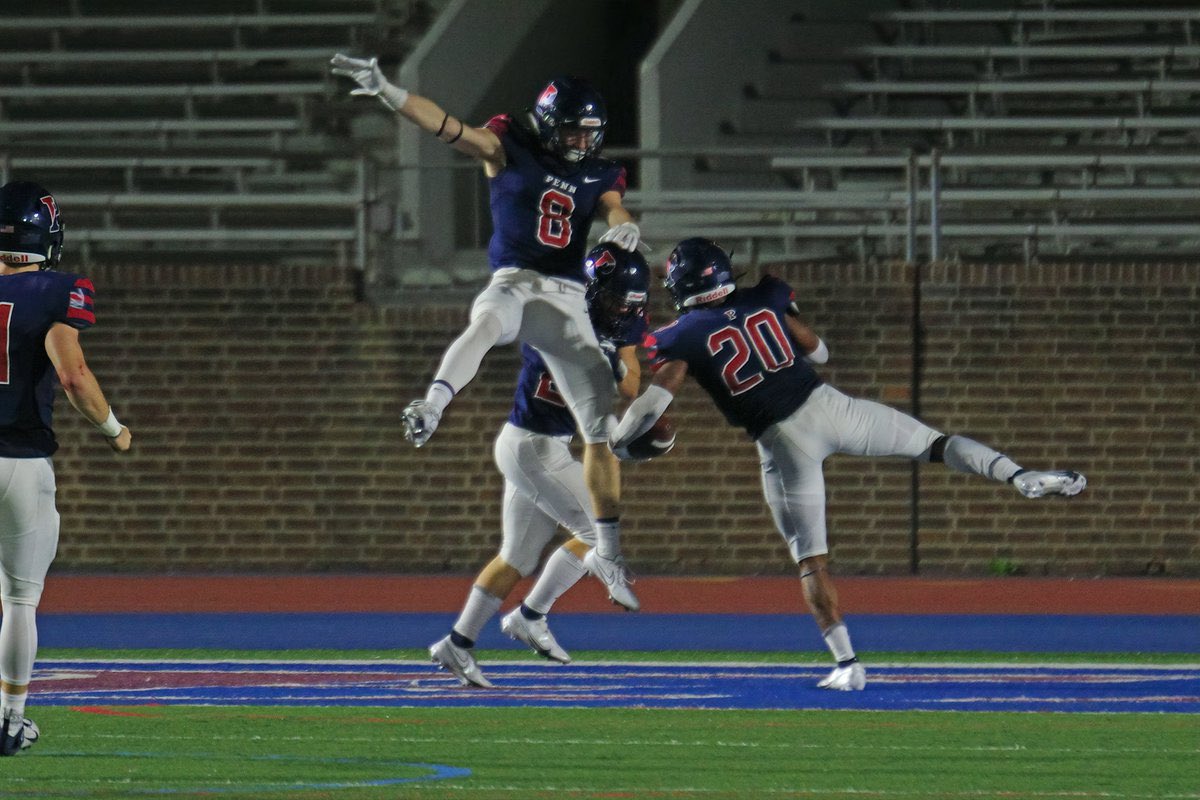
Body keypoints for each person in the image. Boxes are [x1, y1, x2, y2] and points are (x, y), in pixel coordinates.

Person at [611, 237, 1086, 692]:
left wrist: (618, 439)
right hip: (831, 406)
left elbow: (655, 401)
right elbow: (819, 351)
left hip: (783, 440)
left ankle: (847, 664)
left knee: (811, 560)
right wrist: (776, 317)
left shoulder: (681, 335)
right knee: (936, 444)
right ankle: (1018, 475)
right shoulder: (765, 297)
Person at [330, 55, 641, 608]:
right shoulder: (507, 143)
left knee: (599, 425)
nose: (580, 141)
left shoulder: (599, 172)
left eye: (588, 132)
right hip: (518, 279)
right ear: (547, 122)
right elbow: (446, 126)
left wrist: (625, 229)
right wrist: (388, 92)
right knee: (488, 321)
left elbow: (616, 209)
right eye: (571, 129)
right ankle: (431, 403)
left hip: (569, 295)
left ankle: (610, 555)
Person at [429, 244, 648, 687]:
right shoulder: (556, 316)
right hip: (532, 444)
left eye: (631, 300)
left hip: (541, 446)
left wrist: (617, 370)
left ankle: (460, 641)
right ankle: (534, 612)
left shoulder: (621, 318)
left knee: (518, 555)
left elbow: (631, 382)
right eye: (615, 298)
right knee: (594, 530)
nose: (623, 308)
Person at [0, 181, 132, 754]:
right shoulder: (58, 290)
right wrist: (114, 431)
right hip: (21, 461)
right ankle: (9, 720)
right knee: (20, 599)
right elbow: (74, 375)